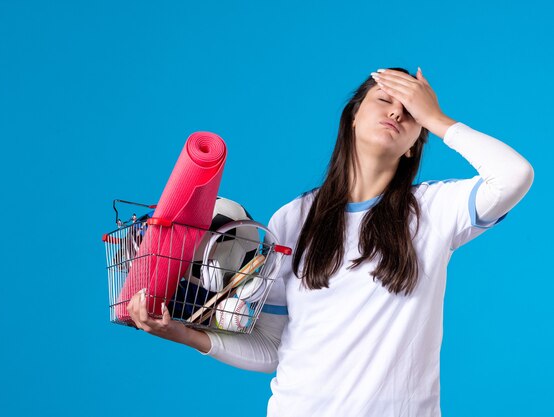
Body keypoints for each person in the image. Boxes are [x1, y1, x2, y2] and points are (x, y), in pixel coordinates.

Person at [126, 67, 534, 416]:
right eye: (385, 99)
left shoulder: (432, 210)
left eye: (411, 113)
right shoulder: (292, 218)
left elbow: (514, 175)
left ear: (414, 146)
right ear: (353, 116)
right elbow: (272, 347)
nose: (396, 111)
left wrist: (438, 118)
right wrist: (183, 334)